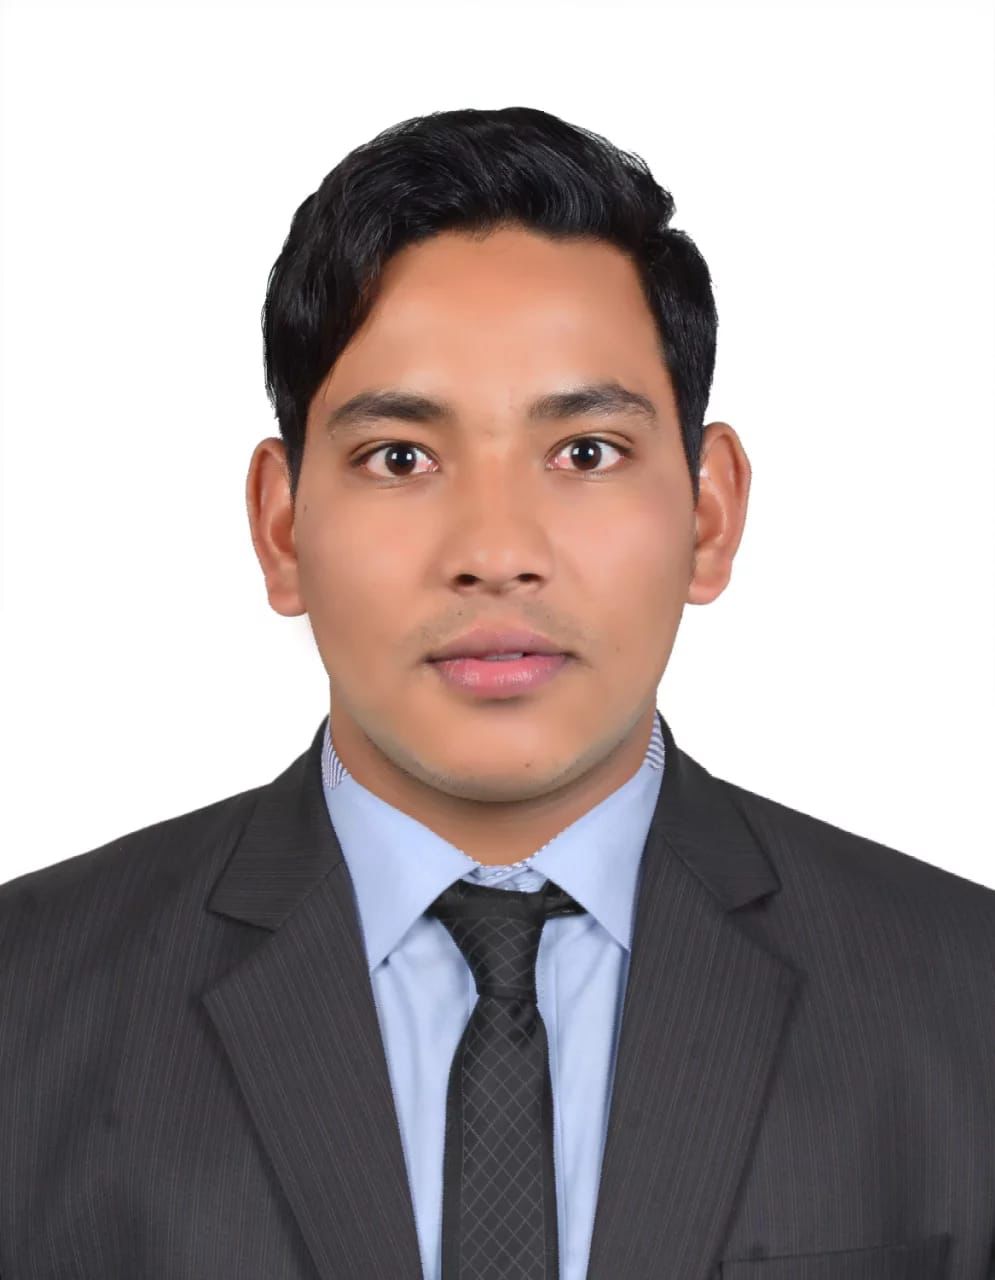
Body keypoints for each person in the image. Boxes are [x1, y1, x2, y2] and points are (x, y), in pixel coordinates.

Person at [0, 106, 992, 1280]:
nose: (495, 551)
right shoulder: (27, 1002)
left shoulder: (963, 997)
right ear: (281, 526)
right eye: (400, 457)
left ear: (708, 513)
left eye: (584, 452)